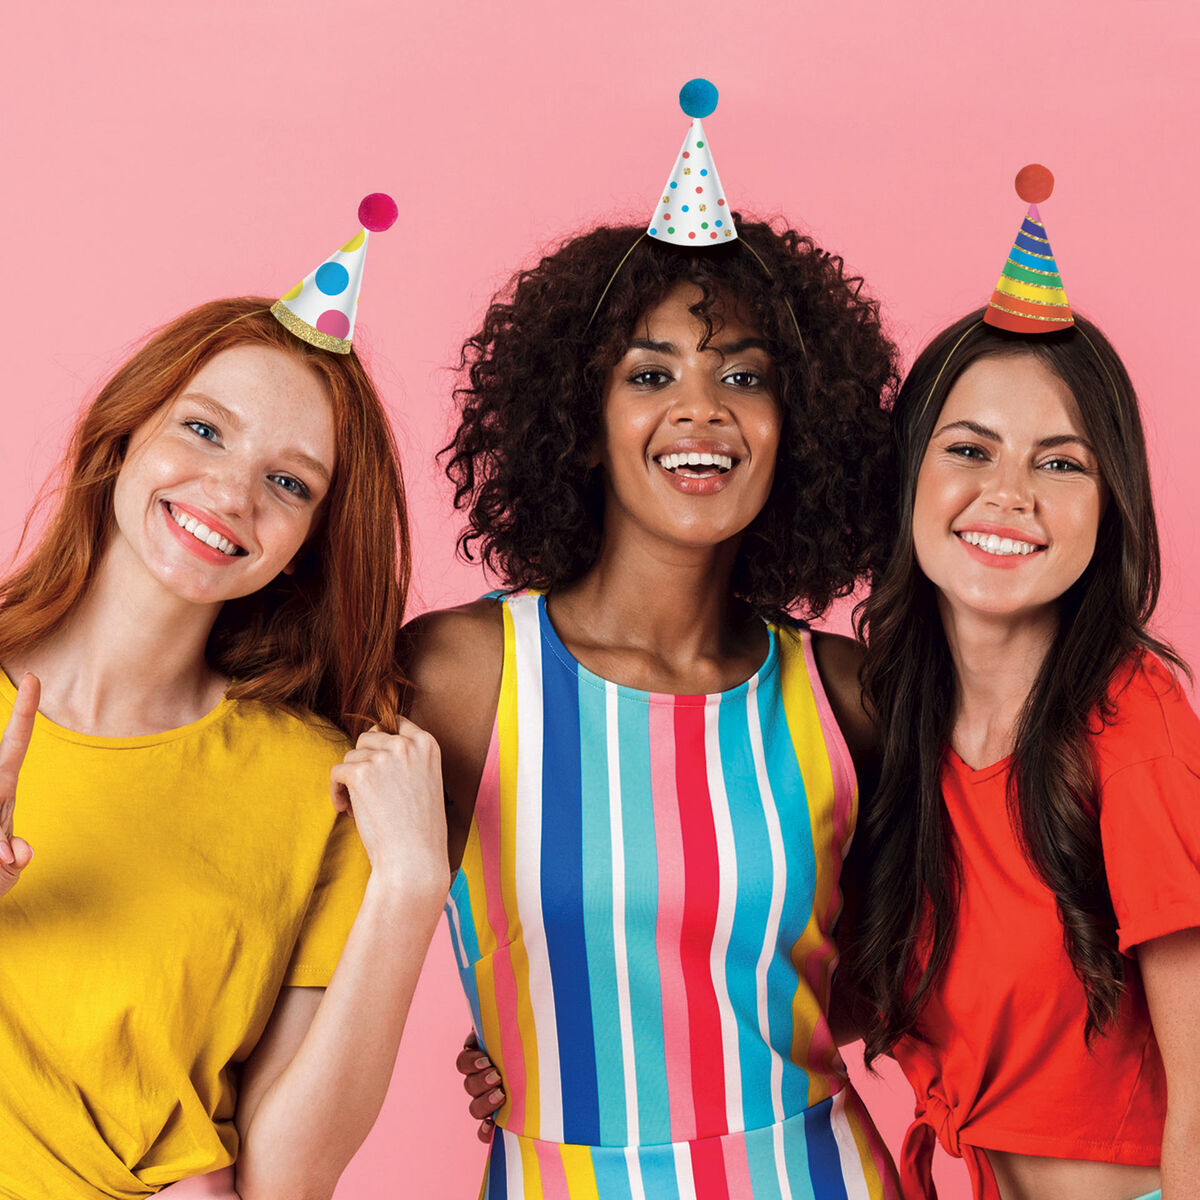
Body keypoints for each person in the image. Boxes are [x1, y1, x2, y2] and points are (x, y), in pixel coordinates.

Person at [405, 76, 905, 1190]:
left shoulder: (849, 695)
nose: (702, 410)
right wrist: (521, 1032)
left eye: (744, 377)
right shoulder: (455, 675)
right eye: (650, 375)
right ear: (582, 422)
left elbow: (899, 984)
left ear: (797, 429)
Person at [0, 291, 449, 1199]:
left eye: (290, 482)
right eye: (204, 430)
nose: (233, 493)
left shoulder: (318, 783)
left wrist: (409, 890)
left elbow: (284, 1183)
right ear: (124, 432)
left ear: (309, 544)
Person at [844, 302, 1200, 1200]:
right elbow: (811, 995)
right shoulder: (887, 717)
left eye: (1061, 462)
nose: (1010, 493)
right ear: (908, 477)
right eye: (970, 449)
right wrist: (550, 1051)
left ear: (1111, 501)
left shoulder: (1131, 719)